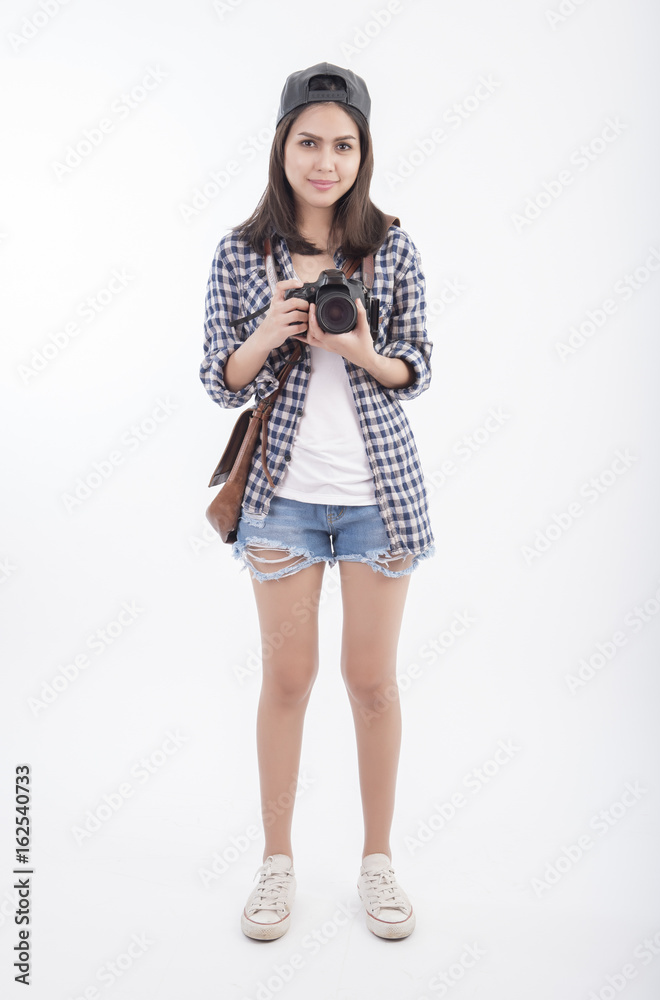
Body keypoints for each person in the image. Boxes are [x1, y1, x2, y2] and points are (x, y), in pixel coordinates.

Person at [200, 62, 435, 941]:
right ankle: (276, 866)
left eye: (342, 143)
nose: (325, 159)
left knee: (371, 683)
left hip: (379, 497)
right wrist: (269, 331)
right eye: (309, 141)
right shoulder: (238, 253)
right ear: (282, 145)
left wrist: (363, 349)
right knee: (287, 682)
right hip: (281, 502)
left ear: (362, 152)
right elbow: (218, 383)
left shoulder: (392, 248)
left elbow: (417, 365)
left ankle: (377, 864)